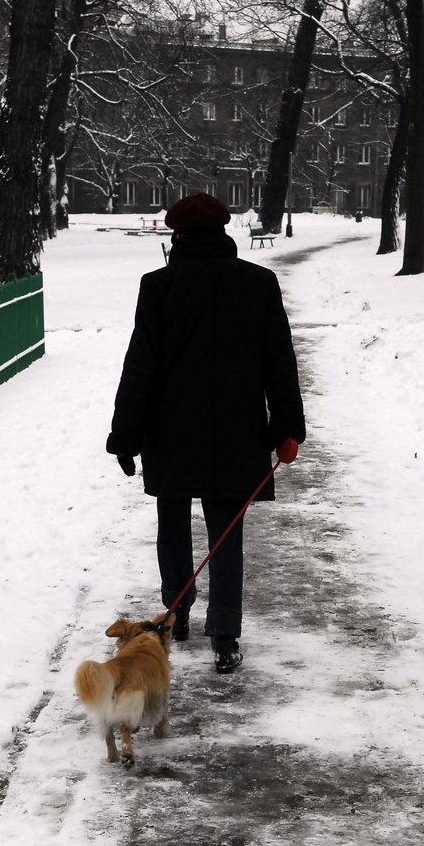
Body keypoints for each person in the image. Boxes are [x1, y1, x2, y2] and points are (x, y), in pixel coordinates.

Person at [106, 192, 306, 674]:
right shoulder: (258, 283)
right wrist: (287, 426)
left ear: (178, 237)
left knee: (172, 525)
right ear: (224, 232)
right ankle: (226, 632)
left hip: (168, 430)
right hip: (237, 433)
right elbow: (279, 361)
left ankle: (175, 614)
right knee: (227, 530)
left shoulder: (159, 285)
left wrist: (126, 435)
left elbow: (142, 366)